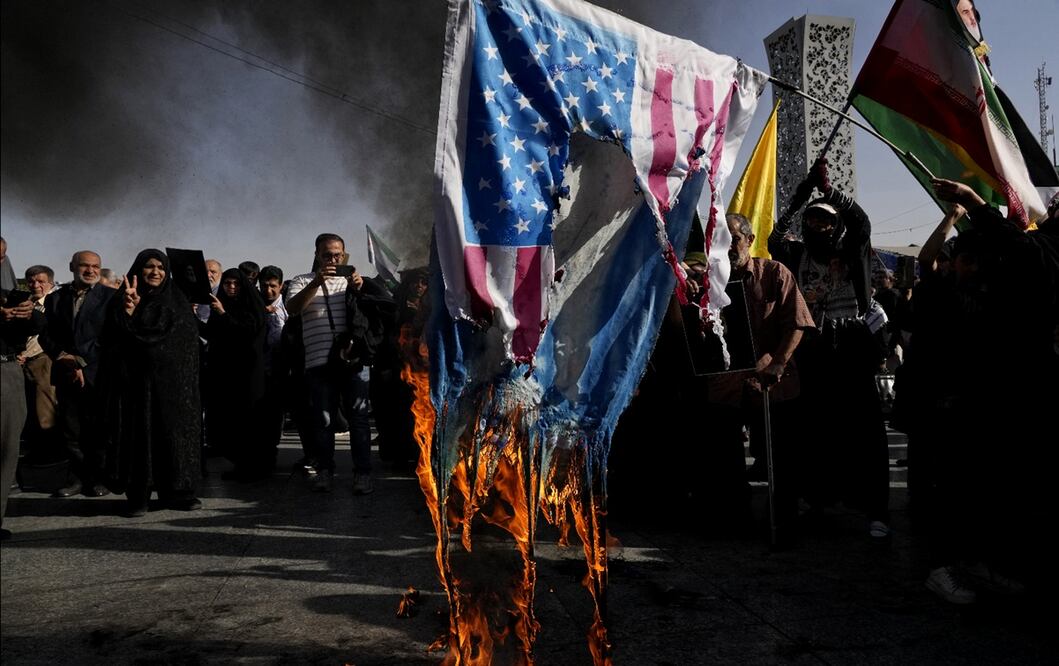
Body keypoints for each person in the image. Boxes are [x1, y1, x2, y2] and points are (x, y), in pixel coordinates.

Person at [769, 159, 891, 538]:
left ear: (836, 226)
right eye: (812, 220)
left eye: (824, 221)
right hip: (813, 349)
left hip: (851, 347)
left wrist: (830, 192)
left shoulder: (852, 253)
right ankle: (817, 499)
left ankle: (877, 511)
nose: (817, 226)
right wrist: (801, 196)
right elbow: (774, 239)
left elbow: (862, 224)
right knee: (814, 428)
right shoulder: (797, 256)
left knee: (864, 429)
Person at [702, 214, 816, 542]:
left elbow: (797, 322)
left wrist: (779, 362)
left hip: (771, 381)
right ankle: (734, 516)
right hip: (727, 383)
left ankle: (782, 519)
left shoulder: (775, 273)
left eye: (734, 239)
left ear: (750, 241)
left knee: (781, 456)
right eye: (722, 240)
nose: (728, 246)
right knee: (725, 456)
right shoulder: (712, 280)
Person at [101, 250, 203, 516]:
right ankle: (138, 495)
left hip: (173, 388)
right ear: (138, 269)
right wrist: (130, 312)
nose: (155, 272)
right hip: (136, 387)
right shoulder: (120, 300)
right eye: (149, 266)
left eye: (160, 267)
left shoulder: (177, 300)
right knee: (139, 439)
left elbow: (185, 344)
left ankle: (177, 492)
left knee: (173, 437)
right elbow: (113, 340)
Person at [285, 234, 372, 494]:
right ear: (317, 255)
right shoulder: (302, 281)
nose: (333, 260)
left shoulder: (353, 281)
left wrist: (360, 288)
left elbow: (370, 315)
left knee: (359, 419)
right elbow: (293, 308)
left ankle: (363, 474)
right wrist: (317, 283)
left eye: (337, 255)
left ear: (344, 255)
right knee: (323, 420)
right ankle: (324, 471)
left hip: (352, 360)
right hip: (318, 362)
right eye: (327, 255)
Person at [39, 250, 115, 498]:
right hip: (66, 374)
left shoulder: (110, 297)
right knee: (70, 430)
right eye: (84, 265)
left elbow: (110, 337)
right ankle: (77, 478)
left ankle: (99, 478)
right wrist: (64, 358)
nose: (90, 270)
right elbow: (45, 335)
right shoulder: (55, 298)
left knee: (98, 430)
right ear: (72, 267)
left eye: (95, 266)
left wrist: (80, 361)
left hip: (97, 374)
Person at [202, 268, 265, 481]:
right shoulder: (222, 305)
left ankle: (251, 467)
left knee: (247, 421)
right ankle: (239, 465)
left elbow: (247, 331)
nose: (231, 287)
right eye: (227, 283)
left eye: (236, 284)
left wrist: (223, 314)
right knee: (229, 421)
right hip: (226, 373)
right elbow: (212, 333)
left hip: (247, 373)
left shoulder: (252, 305)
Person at [2, 288, 45, 540]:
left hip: (6, 370)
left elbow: (40, 324)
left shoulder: (9, 295)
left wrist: (28, 313)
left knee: (7, 450)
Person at [18, 266, 61, 464]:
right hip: (22, 362)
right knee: (27, 408)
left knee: (45, 409)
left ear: (50, 283)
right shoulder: (25, 303)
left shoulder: (55, 304)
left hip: (43, 359)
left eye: (41, 281)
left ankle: (50, 454)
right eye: (31, 281)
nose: (35, 285)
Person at [252, 266, 288, 479]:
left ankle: (270, 453)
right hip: (259, 369)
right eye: (264, 286)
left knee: (275, 414)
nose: (268, 290)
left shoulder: (289, 305)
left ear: (280, 285)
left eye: (273, 286)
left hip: (280, 369)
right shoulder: (254, 305)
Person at [196, 259, 223, 323]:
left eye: (213, 272)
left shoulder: (225, 292)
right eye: (205, 271)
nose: (208, 275)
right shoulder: (195, 290)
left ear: (221, 274)